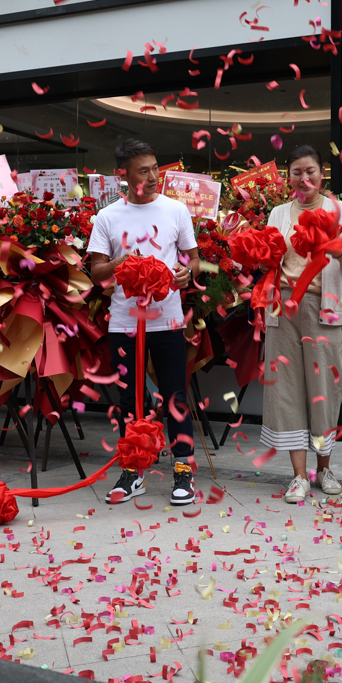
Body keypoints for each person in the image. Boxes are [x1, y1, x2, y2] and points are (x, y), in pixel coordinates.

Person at [87, 138, 201, 506]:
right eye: (144, 170)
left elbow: (193, 260)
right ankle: (132, 472)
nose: (154, 176)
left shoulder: (175, 211)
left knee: (174, 397)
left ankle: (182, 471)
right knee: (128, 402)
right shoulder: (107, 217)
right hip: (124, 322)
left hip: (167, 320)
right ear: (124, 174)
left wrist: (185, 274)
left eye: (155, 167)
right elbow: (95, 273)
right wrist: (123, 264)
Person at [259, 145, 342, 504]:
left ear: (322, 174)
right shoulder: (278, 213)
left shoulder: (339, 210)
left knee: (324, 387)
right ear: (288, 178)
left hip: (324, 307)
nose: (304, 179)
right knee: (285, 389)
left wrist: (326, 243)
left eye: (311, 172)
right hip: (282, 307)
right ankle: (299, 476)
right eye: (297, 173)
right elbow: (269, 258)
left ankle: (325, 468)